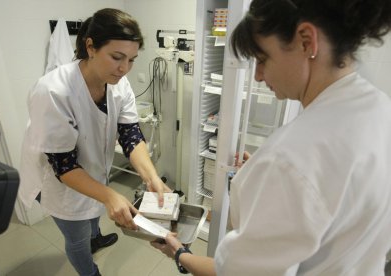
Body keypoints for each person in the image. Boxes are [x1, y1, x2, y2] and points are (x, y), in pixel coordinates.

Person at [151, 0, 391, 275]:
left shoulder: (290, 157)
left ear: (306, 42)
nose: (258, 76)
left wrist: (180, 253)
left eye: (263, 59)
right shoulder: (380, 107)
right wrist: (264, 178)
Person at [18, 8, 170, 276]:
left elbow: (131, 134)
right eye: (116, 57)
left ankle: (96, 237)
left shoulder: (118, 84)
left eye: (132, 60)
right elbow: (64, 166)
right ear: (90, 46)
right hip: (61, 183)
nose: (125, 68)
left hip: (93, 171)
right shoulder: (54, 91)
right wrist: (111, 195)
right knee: (77, 239)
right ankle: (90, 272)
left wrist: (151, 177)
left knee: (95, 211)